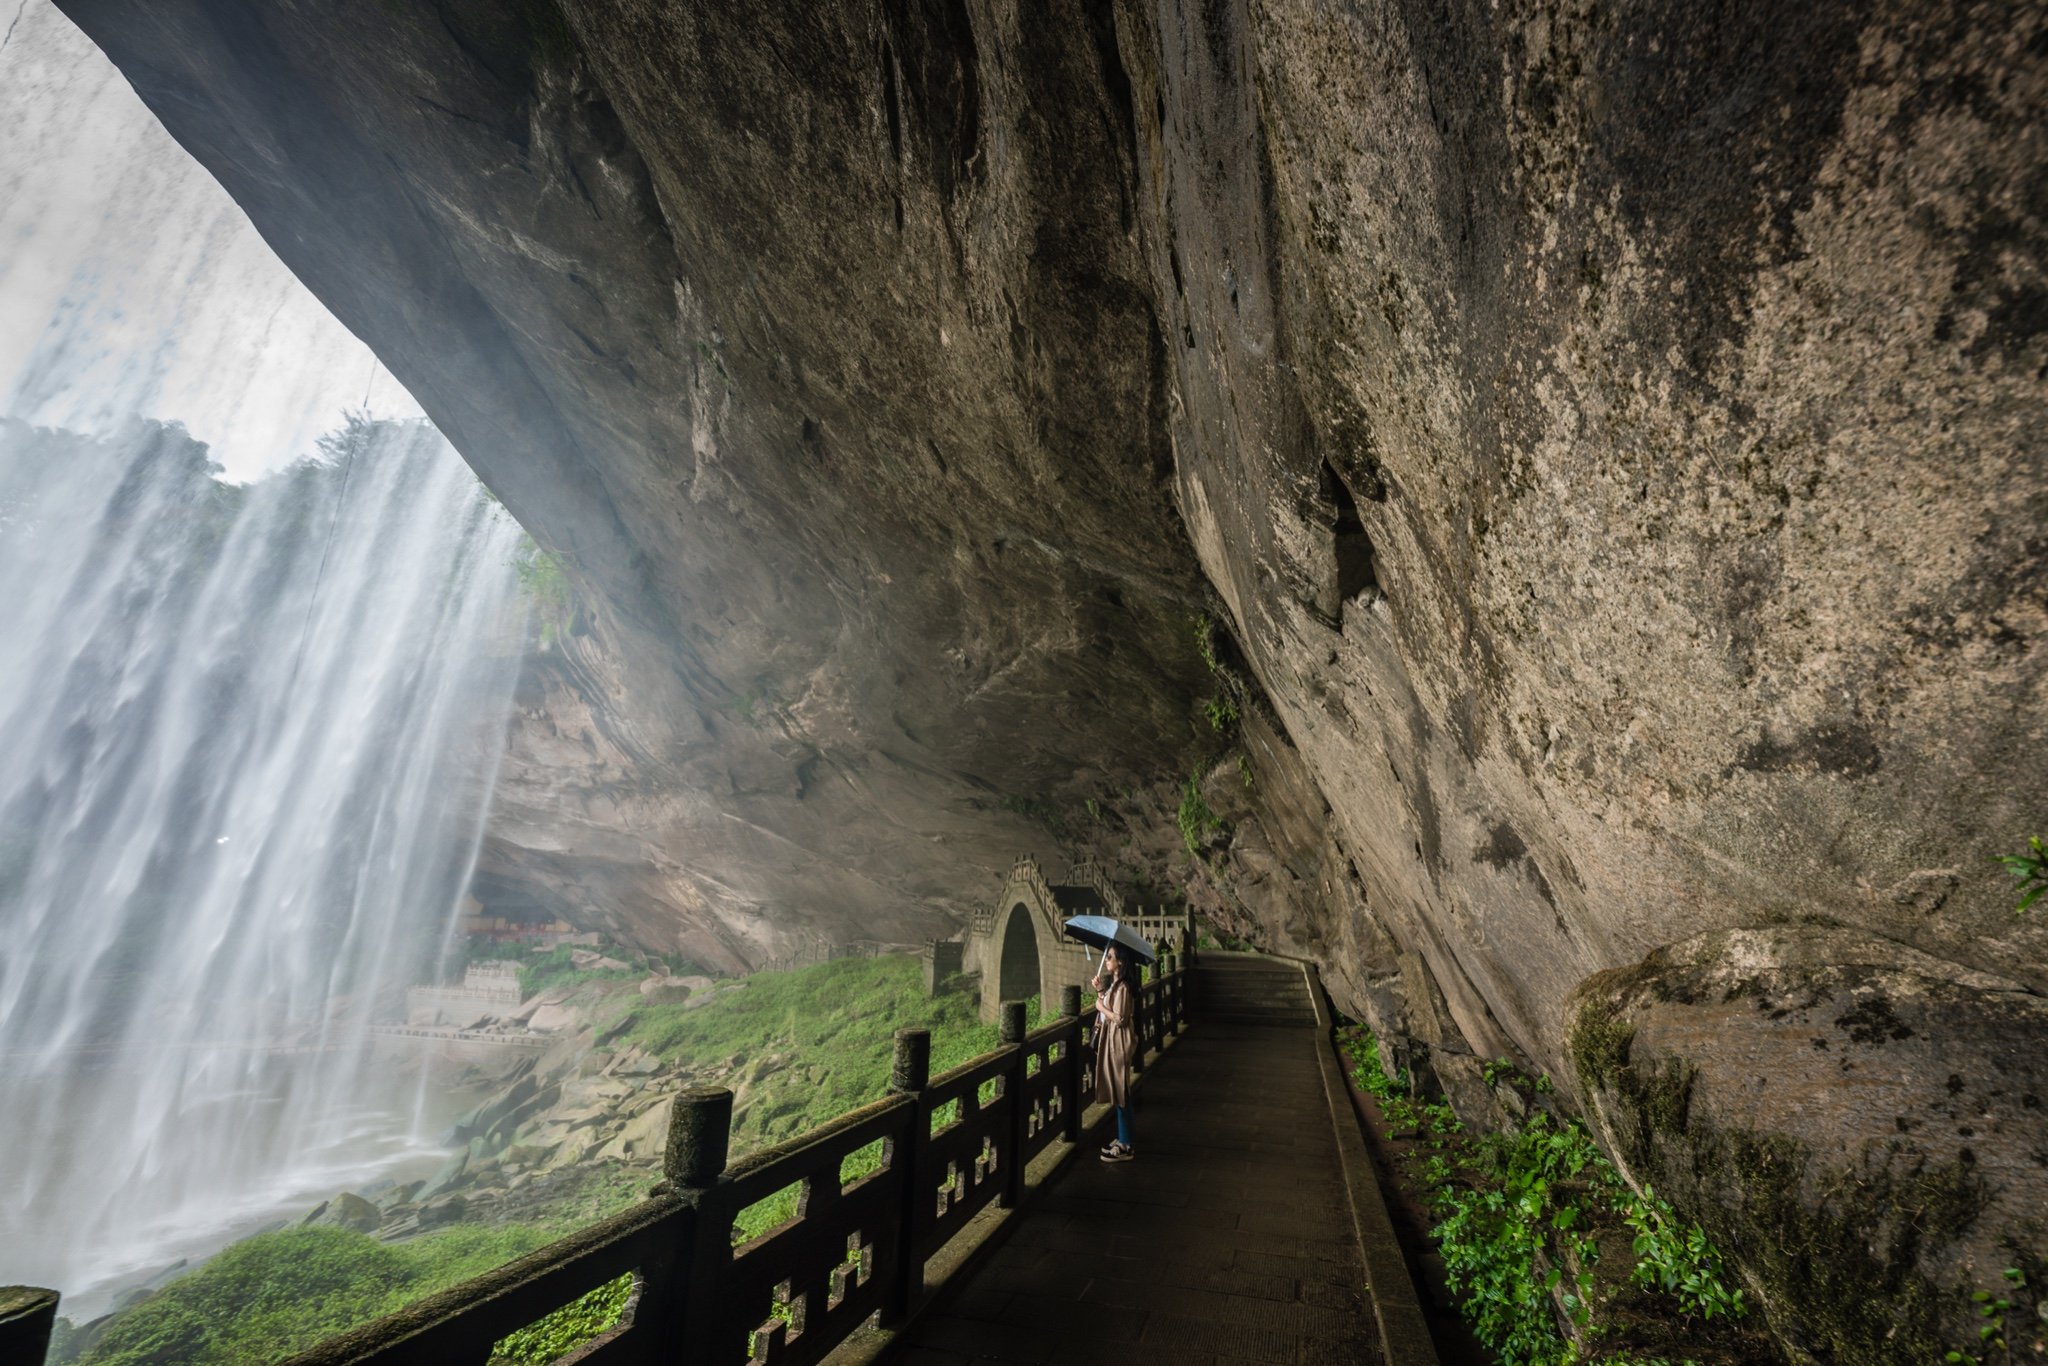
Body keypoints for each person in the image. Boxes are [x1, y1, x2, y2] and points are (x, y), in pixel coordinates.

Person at [1091, 944, 1140, 1161]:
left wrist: (1100, 1008)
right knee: (1120, 1092)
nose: (1106, 959)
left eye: (1109, 956)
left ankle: (1126, 1145)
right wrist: (1100, 990)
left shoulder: (1124, 988)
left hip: (1119, 1044)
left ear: (1120, 961)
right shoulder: (1116, 985)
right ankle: (1123, 1138)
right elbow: (1111, 1006)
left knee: (1122, 1092)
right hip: (1113, 1042)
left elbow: (1120, 1018)